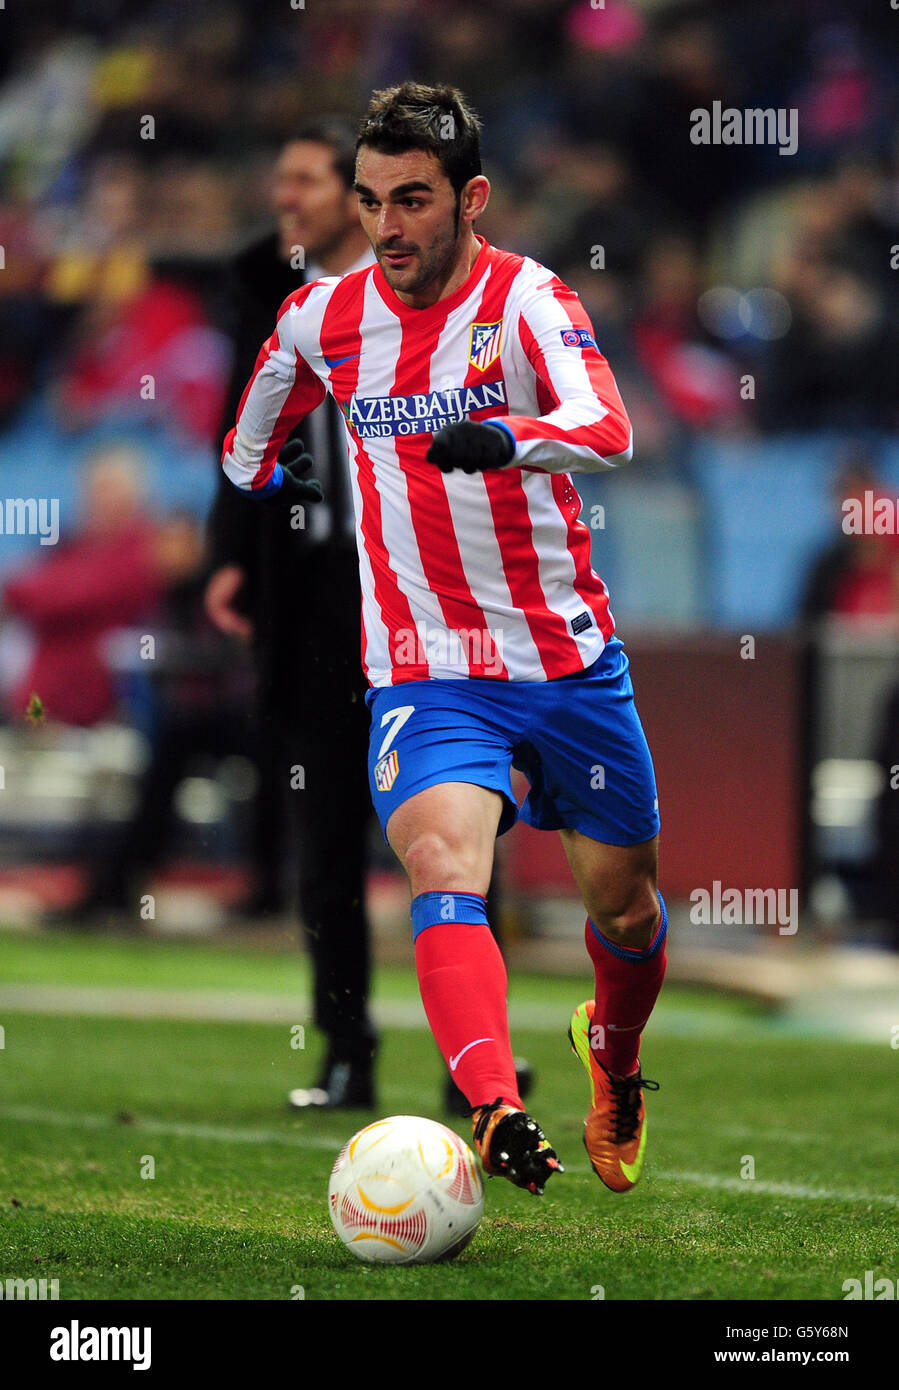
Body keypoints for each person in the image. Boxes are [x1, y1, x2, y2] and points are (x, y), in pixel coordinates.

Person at [220, 83, 667, 1199]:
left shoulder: (528, 300)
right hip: (425, 664)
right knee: (437, 861)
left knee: (624, 904)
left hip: (564, 656)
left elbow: (603, 425)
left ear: (470, 198)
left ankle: (612, 1060)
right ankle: (493, 1105)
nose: (387, 227)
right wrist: (275, 474)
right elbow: (241, 447)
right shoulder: (322, 316)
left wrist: (502, 438)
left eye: (411, 200)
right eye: (369, 200)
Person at [205, 119, 380, 1108]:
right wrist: (230, 556)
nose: (283, 198)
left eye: (302, 181)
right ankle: (345, 1047)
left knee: (445, 828)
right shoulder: (270, 299)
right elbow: (236, 430)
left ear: (353, 193)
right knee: (324, 842)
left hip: (410, 595)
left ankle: (469, 1055)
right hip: (312, 596)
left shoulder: (422, 296)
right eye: (276, 182)